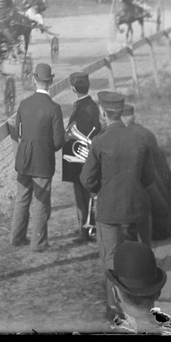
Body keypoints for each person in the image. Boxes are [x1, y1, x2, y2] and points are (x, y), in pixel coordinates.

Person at [80, 91, 156, 319]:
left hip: (109, 210)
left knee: (112, 257)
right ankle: (143, 301)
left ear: (104, 113)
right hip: (137, 208)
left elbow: (87, 179)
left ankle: (114, 306)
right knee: (141, 255)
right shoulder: (139, 139)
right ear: (121, 112)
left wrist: (100, 191)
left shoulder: (100, 141)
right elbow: (149, 177)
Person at [7, 63, 64, 251]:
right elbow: (58, 141)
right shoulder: (54, 108)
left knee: (22, 198)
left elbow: (18, 132)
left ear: (33, 80)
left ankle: (16, 237)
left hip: (24, 159)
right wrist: (47, 148)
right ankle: (38, 243)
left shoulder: (24, 104)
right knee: (40, 201)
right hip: (42, 161)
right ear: (51, 81)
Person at [122, 104, 171, 240]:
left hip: (158, 226)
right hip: (162, 191)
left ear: (124, 119)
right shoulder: (145, 131)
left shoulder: (132, 136)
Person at [61, 72, 102, 244]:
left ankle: (86, 232)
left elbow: (81, 135)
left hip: (80, 160)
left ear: (72, 88)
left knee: (83, 196)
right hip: (85, 159)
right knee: (87, 196)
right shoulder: (90, 105)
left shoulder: (83, 108)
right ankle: (88, 229)